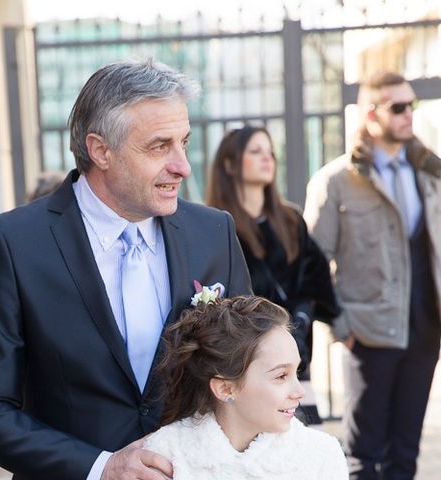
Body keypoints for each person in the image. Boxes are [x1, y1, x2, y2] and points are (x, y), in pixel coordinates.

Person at [0, 58, 252, 480]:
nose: (182, 165)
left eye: (183, 142)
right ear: (100, 150)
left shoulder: (213, 232)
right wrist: (100, 468)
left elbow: (247, 370)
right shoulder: (13, 244)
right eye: (159, 146)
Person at [304, 71, 441, 479]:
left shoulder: (431, 175)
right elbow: (314, 261)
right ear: (370, 113)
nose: (407, 116)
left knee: (405, 451)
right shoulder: (336, 182)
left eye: (411, 106)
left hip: (425, 330)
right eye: (398, 107)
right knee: (363, 455)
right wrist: (342, 325)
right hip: (369, 333)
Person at [206, 126, 340, 426]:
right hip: (246, 361)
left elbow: (314, 280)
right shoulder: (213, 225)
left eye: (270, 152)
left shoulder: (290, 219)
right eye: (255, 151)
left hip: (296, 355)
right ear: (230, 164)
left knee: (303, 449)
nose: (267, 158)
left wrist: (300, 322)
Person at [144, 295, 347, 479]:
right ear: (225, 389)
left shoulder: (321, 456)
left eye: (297, 372)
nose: (299, 392)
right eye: (281, 376)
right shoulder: (166, 455)